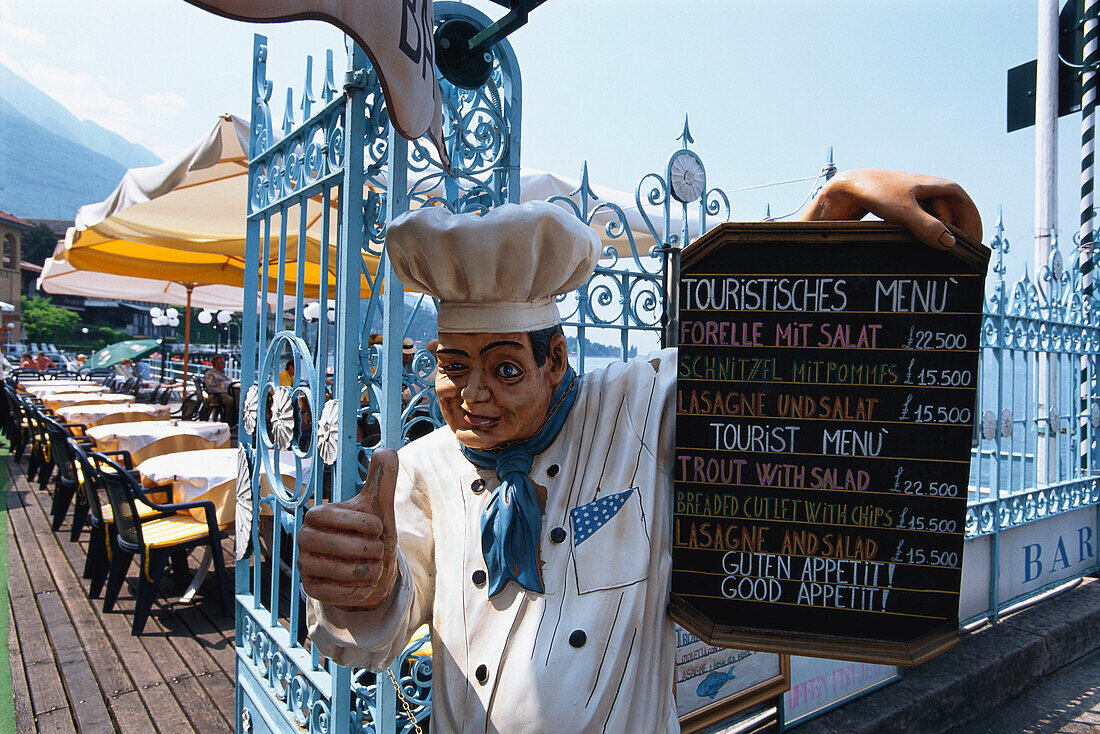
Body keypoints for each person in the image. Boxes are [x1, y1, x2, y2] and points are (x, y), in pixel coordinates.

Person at [298, 173, 982, 731]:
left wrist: (834, 209)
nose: (472, 394)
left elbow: (760, 354)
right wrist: (361, 582)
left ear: (555, 361)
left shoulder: (632, 409)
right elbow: (382, 627)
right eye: (452, 367)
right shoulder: (423, 469)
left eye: (504, 369)